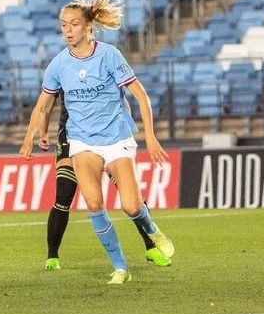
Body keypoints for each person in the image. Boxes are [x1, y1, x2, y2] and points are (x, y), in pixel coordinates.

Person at [20, 0, 174, 284]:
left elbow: (141, 95)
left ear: (88, 26)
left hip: (117, 139)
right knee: (93, 204)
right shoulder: (58, 64)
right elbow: (43, 104)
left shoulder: (109, 55)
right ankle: (120, 268)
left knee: (131, 206)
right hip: (82, 141)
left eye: (74, 24)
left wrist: (150, 136)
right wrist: (29, 137)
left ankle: (151, 229)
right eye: (64, 25)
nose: (68, 30)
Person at [43, 91, 171, 271]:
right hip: (72, 137)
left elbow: (124, 96)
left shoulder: (105, 72)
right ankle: (52, 256)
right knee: (64, 193)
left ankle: (151, 247)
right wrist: (42, 131)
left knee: (131, 197)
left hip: (108, 136)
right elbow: (46, 103)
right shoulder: (62, 72)